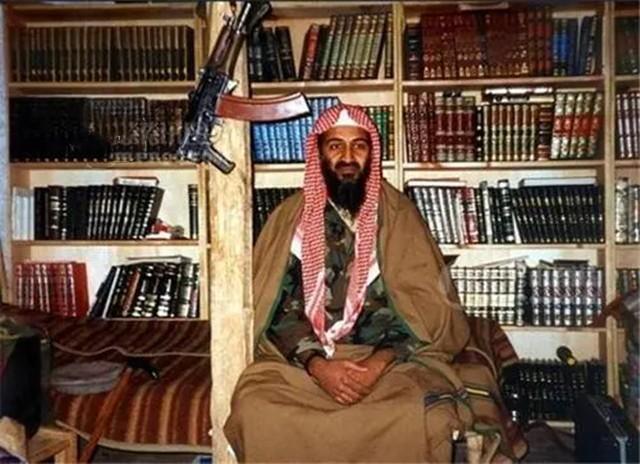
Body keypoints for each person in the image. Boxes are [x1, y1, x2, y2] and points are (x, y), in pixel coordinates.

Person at [224, 104, 519, 462]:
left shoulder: (399, 216)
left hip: (389, 364)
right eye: (336, 146)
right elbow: (278, 311)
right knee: (257, 407)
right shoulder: (289, 218)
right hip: (304, 365)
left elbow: (425, 313)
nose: (348, 157)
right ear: (319, 153)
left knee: (415, 411)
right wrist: (318, 366)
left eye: (359, 146)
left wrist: (377, 364)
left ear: (371, 153)